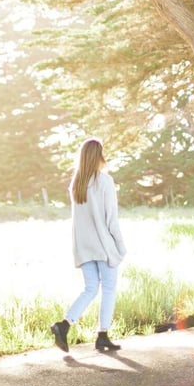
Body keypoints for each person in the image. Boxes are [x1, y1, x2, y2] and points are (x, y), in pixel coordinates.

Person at [51, 137, 127, 352]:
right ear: (99, 156)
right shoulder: (104, 181)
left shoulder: (76, 184)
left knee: (91, 288)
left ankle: (63, 325)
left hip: (83, 246)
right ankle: (102, 334)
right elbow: (111, 219)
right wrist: (121, 247)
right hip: (103, 246)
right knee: (109, 289)